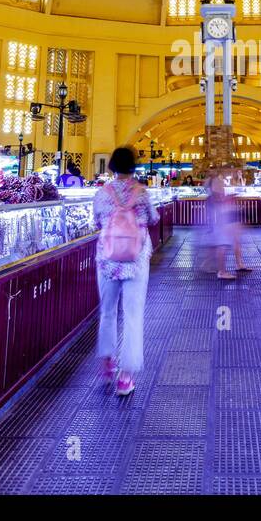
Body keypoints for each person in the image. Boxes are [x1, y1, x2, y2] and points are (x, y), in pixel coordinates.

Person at [92, 146, 155, 396]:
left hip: (107, 260)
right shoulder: (141, 193)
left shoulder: (102, 193)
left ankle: (107, 362)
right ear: (133, 166)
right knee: (132, 315)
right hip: (136, 260)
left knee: (107, 312)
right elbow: (152, 218)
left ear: (112, 167)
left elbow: (96, 221)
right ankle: (126, 376)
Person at [199, 172, 246, 280]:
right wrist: (227, 198)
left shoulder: (213, 181)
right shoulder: (215, 182)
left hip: (217, 218)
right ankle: (222, 271)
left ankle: (208, 265)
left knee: (218, 243)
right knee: (222, 243)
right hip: (219, 218)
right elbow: (218, 198)